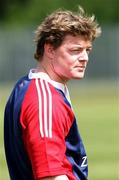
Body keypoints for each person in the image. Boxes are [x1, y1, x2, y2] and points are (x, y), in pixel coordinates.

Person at [4, 6, 101, 180]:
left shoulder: (25, 84)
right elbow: (51, 175)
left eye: (87, 50)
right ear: (49, 49)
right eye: (75, 50)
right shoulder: (45, 100)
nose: (85, 57)